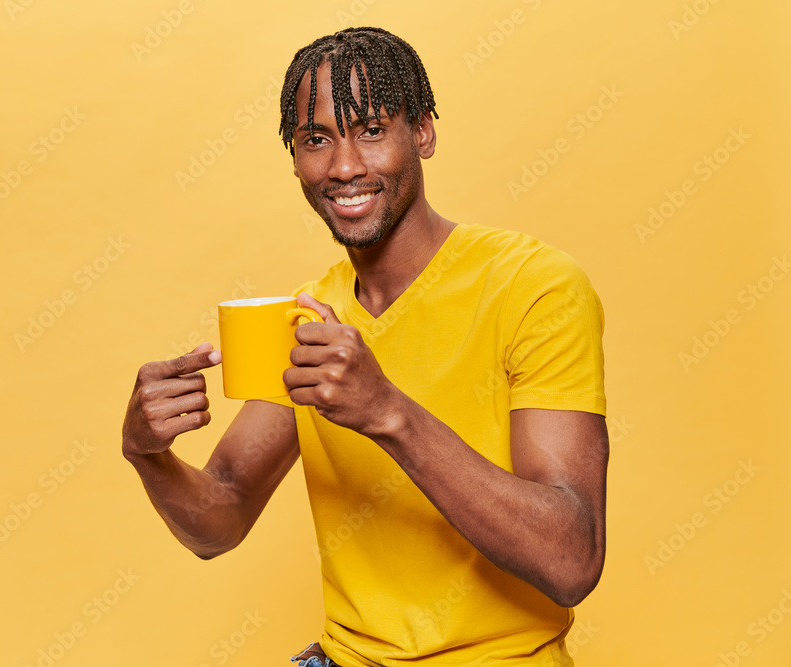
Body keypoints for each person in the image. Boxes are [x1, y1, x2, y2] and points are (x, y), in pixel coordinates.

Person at [122, 27, 608, 666]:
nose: (344, 166)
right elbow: (221, 519)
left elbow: (571, 561)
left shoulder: (534, 287)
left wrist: (388, 412)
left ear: (424, 134)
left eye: (371, 129)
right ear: (294, 158)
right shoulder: (307, 318)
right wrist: (146, 453)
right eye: (316, 139)